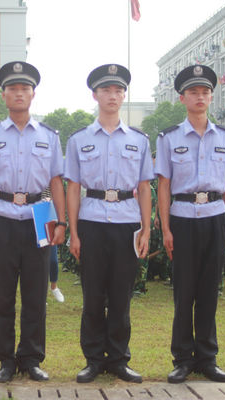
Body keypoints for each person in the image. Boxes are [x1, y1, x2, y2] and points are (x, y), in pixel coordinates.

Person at [0, 61, 66, 383]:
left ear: (33, 94)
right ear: (3, 95)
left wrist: (61, 222)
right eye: (12, 88)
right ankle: (5, 360)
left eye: (24, 88)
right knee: (2, 294)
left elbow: (56, 182)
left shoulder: (49, 136)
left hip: (39, 215)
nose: (18, 93)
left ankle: (31, 358)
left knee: (35, 292)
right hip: (2, 216)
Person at [64, 64, 153, 384]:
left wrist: (146, 229)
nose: (112, 96)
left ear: (124, 96)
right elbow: (73, 187)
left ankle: (118, 359)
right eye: (106, 90)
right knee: (93, 296)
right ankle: (92, 360)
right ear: (95, 95)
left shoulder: (139, 140)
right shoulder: (79, 140)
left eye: (118, 90)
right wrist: (74, 232)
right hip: (92, 221)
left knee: (120, 296)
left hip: (127, 223)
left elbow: (145, 187)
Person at [155, 65, 225, 384]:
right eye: (193, 92)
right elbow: (164, 185)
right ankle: (182, 359)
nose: (200, 97)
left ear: (211, 97)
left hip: (215, 217)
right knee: (184, 291)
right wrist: (166, 229)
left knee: (209, 291)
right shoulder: (169, 138)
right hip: (182, 218)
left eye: (205, 92)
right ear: (182, 98)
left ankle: (208, 358)